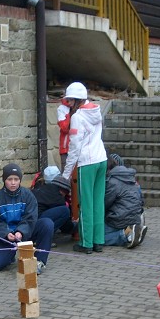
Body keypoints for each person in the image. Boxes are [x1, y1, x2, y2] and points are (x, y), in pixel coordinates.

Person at [61, 82, 108, 254]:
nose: (69, 104)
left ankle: (86, 243)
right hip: (101, 159)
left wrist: (66, 174)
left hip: (87, 163)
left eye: (70, 101)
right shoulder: (96, 111)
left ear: (76, 99)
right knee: (97, 203)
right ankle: (98, 241)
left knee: (86, 204)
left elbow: (74, 148)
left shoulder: (77, 117)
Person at [0, 163, 54, 275]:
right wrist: (6, 233)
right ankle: (9, 257)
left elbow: (31, 217)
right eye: (9, 179)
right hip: (8, 237)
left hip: (26, 233)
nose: (13, 183)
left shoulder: (28, 195)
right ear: (4, 180)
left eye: (16, 179)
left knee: (47, 224)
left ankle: (39, 261)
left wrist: (21, 231)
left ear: (20, 180)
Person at [104, 153, 146, 248]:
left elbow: (105, 204)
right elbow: (142, 201)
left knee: (98, 237)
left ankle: (126, 235)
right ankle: (134, 231)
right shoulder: (131, 179)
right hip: (135, 216)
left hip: (119, 219)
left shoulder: (113, 181)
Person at [31, 167, 74, 235]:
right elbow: (66, 226)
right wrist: (74, 225)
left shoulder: (39, 185)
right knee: (65, 211)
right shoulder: (57, 197)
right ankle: (43, 235)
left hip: (29, 220)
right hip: (36, 222)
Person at [57, 98, 72, 172]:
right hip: (66, 148)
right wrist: (71, 114)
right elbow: (64, 128)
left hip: (80, 147)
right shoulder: (62, 109)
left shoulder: (82, 106)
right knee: (66, 173)